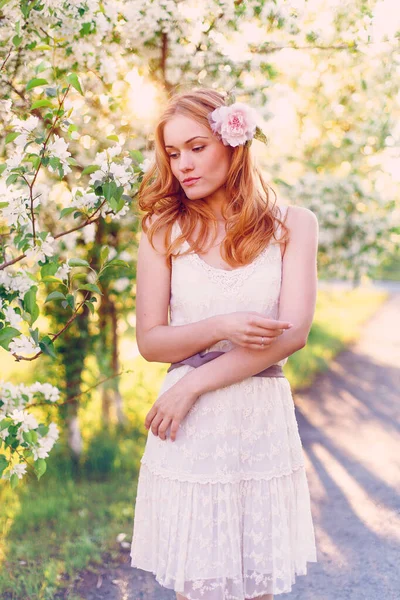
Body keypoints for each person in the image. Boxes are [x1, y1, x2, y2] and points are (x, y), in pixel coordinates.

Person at [130, 87, 318, 600]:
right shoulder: (161, 230)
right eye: (172, 154)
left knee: (257, 587)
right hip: (190, 431)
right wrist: (222, 325)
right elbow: (152, 341)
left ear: (233, 144)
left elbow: (293, 334)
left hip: (257, 418)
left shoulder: (293, 226)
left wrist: (193, 385)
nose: (182, 165)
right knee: (197, 586)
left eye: (196, 148)